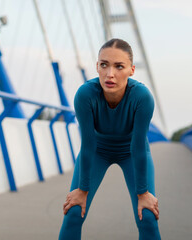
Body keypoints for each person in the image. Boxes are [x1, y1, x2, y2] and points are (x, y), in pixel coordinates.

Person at [59, 38, 161, 240]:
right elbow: (88, 145)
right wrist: (82, 190)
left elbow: (139, 146)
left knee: (147, 217)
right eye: (104, 65)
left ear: (131, 70)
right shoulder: (85, 94)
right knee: (73, 212)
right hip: (97, 151)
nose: (110, 74)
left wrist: (143, 193)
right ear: (97, 66)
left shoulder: (142, 97)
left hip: (132, 152)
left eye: (119, 66)